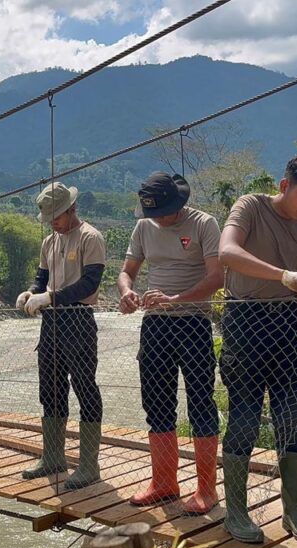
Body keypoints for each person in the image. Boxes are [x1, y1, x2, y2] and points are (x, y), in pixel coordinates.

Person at [217, 154, 297, 544]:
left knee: (294, 417)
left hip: (287, 323)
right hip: (245, 320)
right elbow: (227, 253)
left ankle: (294, 511)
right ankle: (236, 513)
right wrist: (283, 275)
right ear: (285, 186)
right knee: (244, 418)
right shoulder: (250, 206)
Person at [118, 172, 223, 514]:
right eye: (153, 213)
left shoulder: (204, 224)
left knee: (201, 403)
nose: (159, 219)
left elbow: (217, 277)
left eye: (163, 212)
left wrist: (175, 299)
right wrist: (127, 292)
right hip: (155, 325)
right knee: (157, 404)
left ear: (178, 203)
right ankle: (164, 483)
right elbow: (127, 271)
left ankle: (206, 489)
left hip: (193, 322)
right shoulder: (144, 227)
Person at [16, 182, 106, 490]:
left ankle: (89, 465)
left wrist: (50, 297)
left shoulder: (90, 237)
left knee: (84, 386)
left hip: (78, 318)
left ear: (72, 209)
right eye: (49, 218)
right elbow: (41, 278)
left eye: (57, 216)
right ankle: (52, 457)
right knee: (50, 388)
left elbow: (89, 285)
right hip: (51, 322)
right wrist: (31, 292)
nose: (53, 222)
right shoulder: (49, 242)